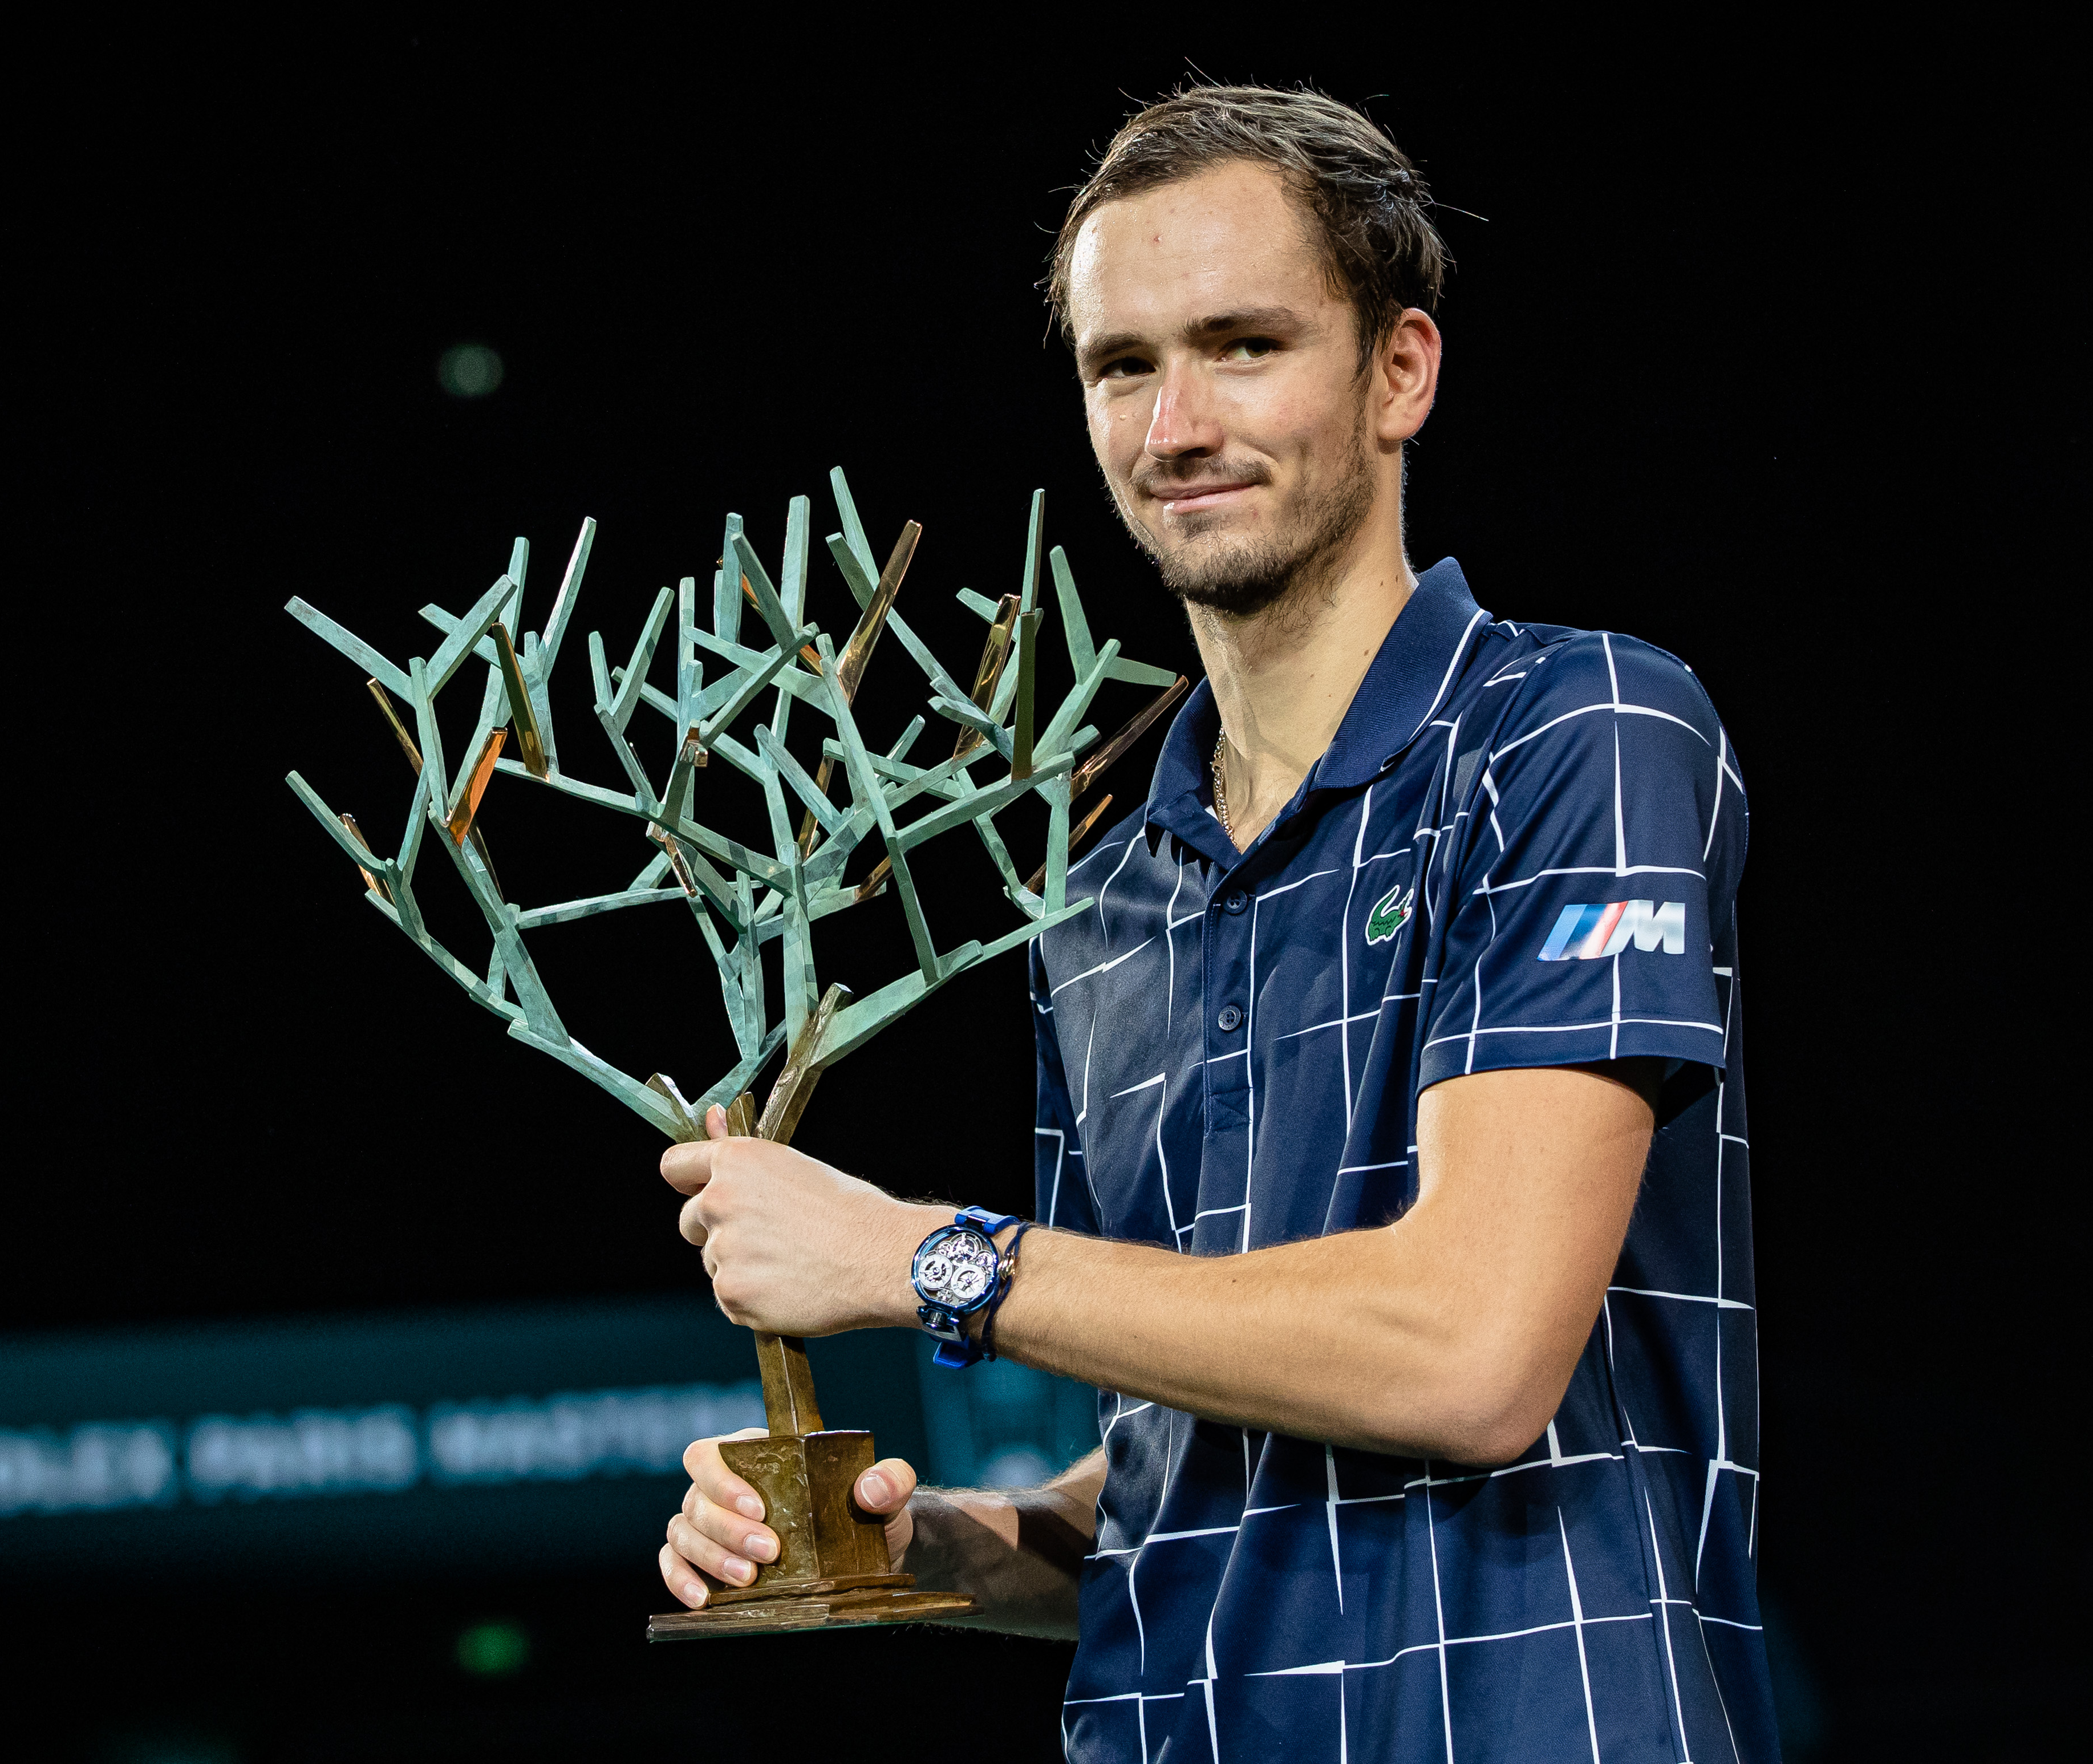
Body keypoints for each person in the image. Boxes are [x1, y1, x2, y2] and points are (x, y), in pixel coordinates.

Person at [658, 84, 1774, 1764]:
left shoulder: (1578, 732)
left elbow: (1469, 1351)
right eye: (1124, 366)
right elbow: (1188, 1451)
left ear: (1401, 370)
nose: (1177, 423)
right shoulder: (1096, 894)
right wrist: (943, 1545)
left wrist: (919, 1255)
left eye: (1244, 345)